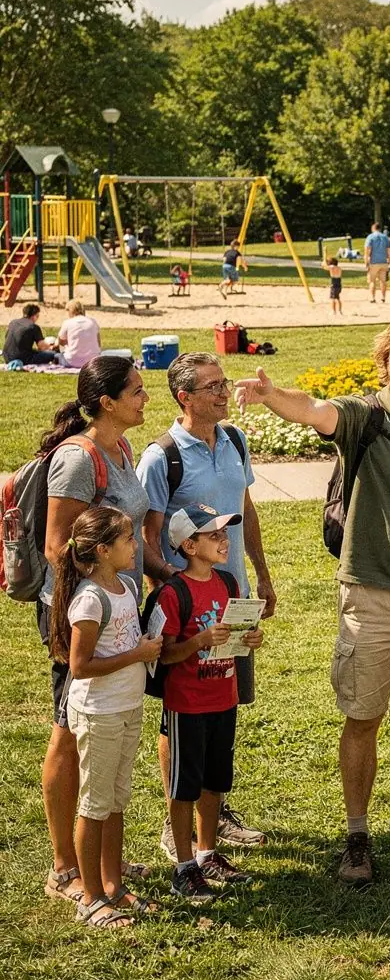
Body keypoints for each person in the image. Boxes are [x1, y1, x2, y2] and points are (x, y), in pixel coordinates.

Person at [235, 312, 390, 885]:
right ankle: (357, 836)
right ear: (386, 360)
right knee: (362, 718)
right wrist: (272, 396)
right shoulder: (364, 417)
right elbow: (315, 409)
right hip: (371, 597)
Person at [137, 352, 276, 859]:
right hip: (189, 610)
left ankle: (214, 814)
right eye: (213, 387)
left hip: (235, 602)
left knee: (222, 704)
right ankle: (177, 823)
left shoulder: (235, 440)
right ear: (185, 397)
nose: (224, 393)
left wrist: (259, 574)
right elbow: (147, 538)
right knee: (180, 714)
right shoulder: (161, 456)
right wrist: (184, 587)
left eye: (223, 385)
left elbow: (246, 509)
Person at [40, 356, 156, 904]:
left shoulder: (122, 448)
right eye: (136, 390)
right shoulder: (77, 459)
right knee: (69, 729)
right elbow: (57, 544)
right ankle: (66, 866)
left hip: (118, 608)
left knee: (94, 734)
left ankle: (102, 859)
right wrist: (101, 596)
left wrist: (158, 574)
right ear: (106, 402)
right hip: (80, 613)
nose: (145, 398)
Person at [49, 506, 162, 928]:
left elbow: (123, 644)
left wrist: (147, 644)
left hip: (126, 707)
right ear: (103, 549)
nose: (136, 546)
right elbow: (79, 666)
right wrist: (137, 654)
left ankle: (113, 884)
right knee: (94, 806)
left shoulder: (123, 588)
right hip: (99, 714)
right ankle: (91, 897)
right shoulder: (91, 599)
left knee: (116, 801)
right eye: (129, 539)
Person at [158, 505, 265, 903]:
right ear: (188, 545)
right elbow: (165, 655)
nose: (224, 540)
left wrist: (249, 640)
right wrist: (198, 642)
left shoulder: (228, 582)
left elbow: (239, 635)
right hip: (187, 705)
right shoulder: (173, 593)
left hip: (225, 698)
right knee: (184, 786)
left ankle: (206, 854)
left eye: (225, 533)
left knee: (215, 782)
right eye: (214, 535)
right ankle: (184, 868)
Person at [57, 300, 101, 369]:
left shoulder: (67, 322)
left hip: (72, 361)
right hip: (93, 361)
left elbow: (61, 342)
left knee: (57, 356)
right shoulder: (93, 321)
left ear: (70, 311)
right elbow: (98, 343)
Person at [364, 222, 390, 303]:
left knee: (372, 281)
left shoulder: (370, 237)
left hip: (373, 262)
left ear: (373, 228)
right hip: (383, 261)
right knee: (383, 281)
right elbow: (389, 250)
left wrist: (366, 261)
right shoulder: (385, 237)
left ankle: (372, 298)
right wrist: (389, 259)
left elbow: (368, 249)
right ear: (379, 228)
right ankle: (383, 297)